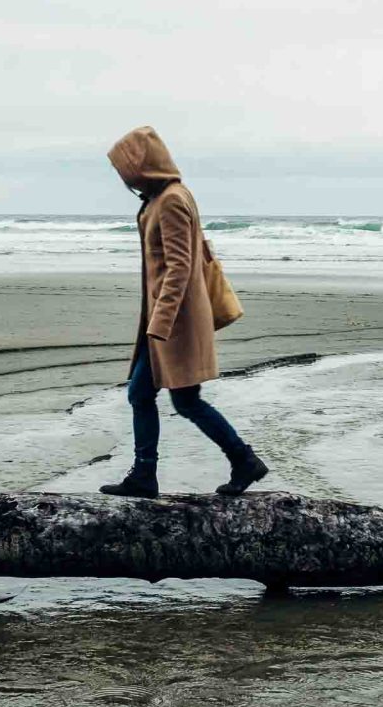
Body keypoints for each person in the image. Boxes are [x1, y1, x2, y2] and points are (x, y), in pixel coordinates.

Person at [98, 126, 269, 498]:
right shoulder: (160, 198)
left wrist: (160, 322)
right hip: (165, 322)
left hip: (174, 324)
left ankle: (155, 473)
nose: (123, 177)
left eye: (124, 168)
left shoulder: (172, 200)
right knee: (162, 397)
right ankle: (235, 461)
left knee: (159, 397)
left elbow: (180, 266)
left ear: (141, 164)